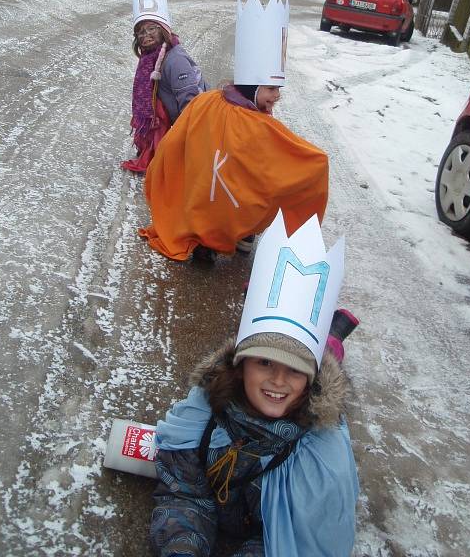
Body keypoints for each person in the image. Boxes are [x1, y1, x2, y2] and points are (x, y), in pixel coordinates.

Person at [150, 212, 359, 557]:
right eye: (263, 362)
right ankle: (324, 336)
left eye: (294, 370)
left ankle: (330, 336)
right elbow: (184, 492)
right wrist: (181, 547)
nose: (277, 380)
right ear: (240, 364)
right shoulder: (202, 416)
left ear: (309, 381)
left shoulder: (319, 459)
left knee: (326, 350)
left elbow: (299, 539)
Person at [139, 0, 328, 260]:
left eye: (278, 89)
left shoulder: (259, 121)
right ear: (252, 86)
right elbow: (182, 132)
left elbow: (282, 154)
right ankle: (208, 241)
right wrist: (167, 160)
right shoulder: (208, 103)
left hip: (233, 189)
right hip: (211, 181)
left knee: (239, 197)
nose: (277, 96)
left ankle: (240, 234)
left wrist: (313, 162)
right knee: (210, 200)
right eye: (271, 88)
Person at [122, 0, 207, 173]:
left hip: (193, 125)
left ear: (163, 30)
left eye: (152, 28)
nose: (146, 35)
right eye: (141, 32)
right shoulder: (150, 60)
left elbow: (191, 103)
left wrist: (185, 146)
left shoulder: (175, 60)